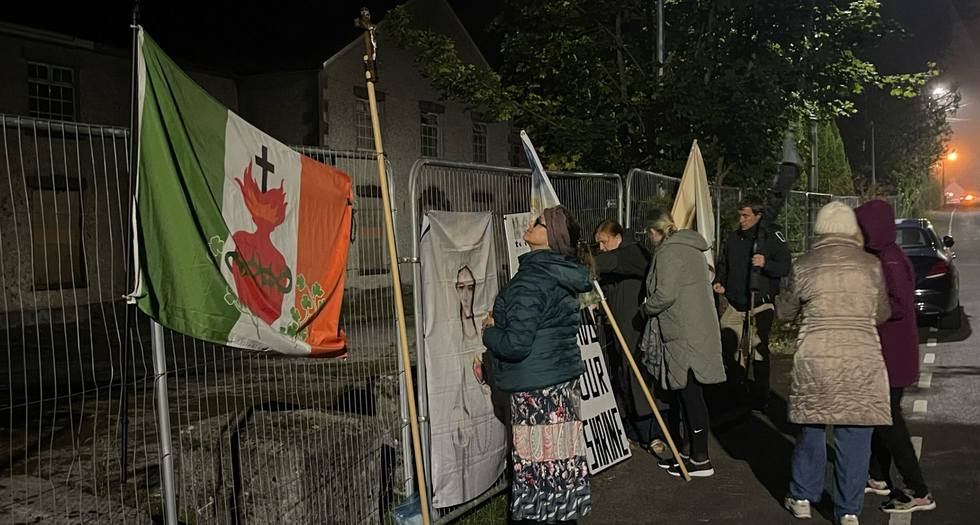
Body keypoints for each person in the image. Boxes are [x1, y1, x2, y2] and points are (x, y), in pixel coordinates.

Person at [778, 201, 892, 525]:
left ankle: (801, 496)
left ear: (821, 228)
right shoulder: (871, 266)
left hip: (816, 358)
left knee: (811, 429)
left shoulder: (805, 265)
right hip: (861, 359)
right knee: (855, 437)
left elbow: (785, 313)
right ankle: (849, 511)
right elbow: (882, 312)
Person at [482, 205, 594, 522]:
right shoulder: (561, 276)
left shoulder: (531, 280)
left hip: (537, 392)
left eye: (539, 222)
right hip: (562, 385)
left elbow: (516, 344)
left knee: (537, 474)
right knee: (560, 469)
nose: (530, 224)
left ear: (552, 236)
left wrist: (489, 333)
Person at [855, 200, 937, 514]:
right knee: (881, 417)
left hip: (892, 356)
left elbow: (899, 306)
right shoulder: (884, 256)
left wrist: (863, 308)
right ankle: (878, 477)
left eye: (860, 227)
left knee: (889, 422)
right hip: (891, 354)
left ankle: (918, 491)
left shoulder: (887, 261)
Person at [642, 210, 726, 478]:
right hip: (699, 329)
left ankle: (700, 459)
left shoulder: (668, 253)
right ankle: (691, 453)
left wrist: (645, 309)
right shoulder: (693, 251)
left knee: (690, 394)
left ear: (655, 233)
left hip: (683, 332)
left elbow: (664, 294)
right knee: (690, 393)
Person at [593, 220, 666, 455]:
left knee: (639, 378)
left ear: (618, 237)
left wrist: (583, 261)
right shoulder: (618, 258)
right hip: (617, 329)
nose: (602, 247)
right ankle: (630, 429)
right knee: (622, 377)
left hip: (635, 329)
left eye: (604, 242)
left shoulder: (632, 253)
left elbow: (609, 263)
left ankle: (654, 432)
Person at [713, 195, 791, 412]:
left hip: (760, 303)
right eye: (740, 216)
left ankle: (761, 394)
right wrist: (720, 281)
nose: (742, 220)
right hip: (735, 302)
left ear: (758, 216)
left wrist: (765, 263)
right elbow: (723, 264)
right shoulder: (733, 239)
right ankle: (736, 387)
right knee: (730, 344)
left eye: (746, 216)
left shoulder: (771, 237)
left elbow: (784, 265)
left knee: (757, 348)